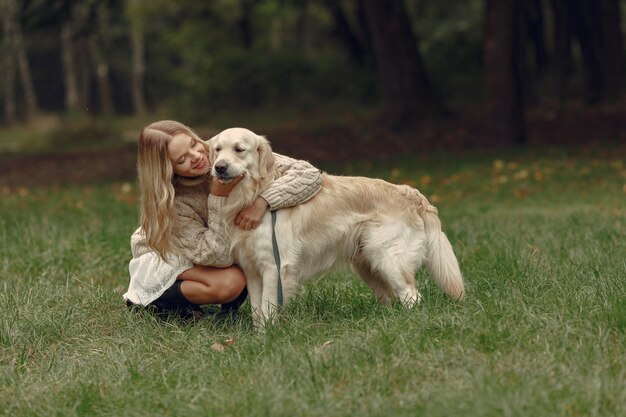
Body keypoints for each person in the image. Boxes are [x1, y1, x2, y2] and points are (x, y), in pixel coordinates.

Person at [123, 120, 322, 319]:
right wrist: (218, 196)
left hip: (207, 249)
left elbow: (309, 175)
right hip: (169, 256)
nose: (197, 157)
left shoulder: (221, 149)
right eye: (182, 159)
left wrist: (263, 201)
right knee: (231, 282)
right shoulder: (174, 203)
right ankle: (155, 304)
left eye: (193, 144)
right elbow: (217, 256)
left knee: (249, 260)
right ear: (167, 169)